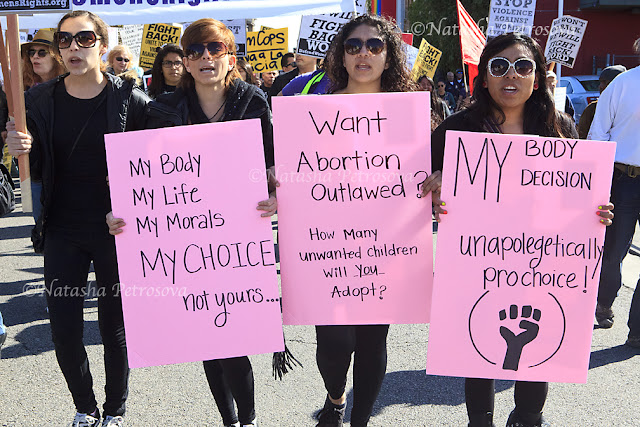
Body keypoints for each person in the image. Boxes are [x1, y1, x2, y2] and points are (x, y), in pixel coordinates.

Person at [427, 32, 613, 427]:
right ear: (485, 77)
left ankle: (528, 416)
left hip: (542, 259)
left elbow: (574, 196)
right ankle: (480, 419)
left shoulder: (559, 128)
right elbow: (417, 187)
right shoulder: (457, 129)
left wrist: (595, 213)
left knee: (538, 338)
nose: (511, 75)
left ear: (538, 75)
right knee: (476, 341)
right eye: (499, 66)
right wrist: (433, 189)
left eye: (523, 66)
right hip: (477, 258)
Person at [107, 18, 276, 427]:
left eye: (214, 49)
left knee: (234, 341)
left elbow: (271, 162)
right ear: (185, 59)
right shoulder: (163, 108)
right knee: (206, 339)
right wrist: (121, 211)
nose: (205, 57)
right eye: (195, 51)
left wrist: (275, 193)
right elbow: (144, 173)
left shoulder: (253, 101)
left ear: (229, 55)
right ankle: (228, 420)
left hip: (237, 241)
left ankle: (248, 419)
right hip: (185, 244)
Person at [5, 10, 150, 427]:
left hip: (116, 231)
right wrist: (21, 144)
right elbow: (32, 155)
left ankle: (116, 410)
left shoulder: (131, 99)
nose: (72, 48)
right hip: (62, 229)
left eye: (84, 39)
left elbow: (163, 156)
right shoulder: (38, 99)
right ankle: (85, 407)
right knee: (64, 330)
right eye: (65, 41)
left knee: (114, 329)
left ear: (102, 46)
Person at [313, 14, 416, 427]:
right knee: (334, 345)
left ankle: (359, 420)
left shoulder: (409, 116)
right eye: (353, 45)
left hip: (385, 247)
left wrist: (434, 184)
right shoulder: (315, 112)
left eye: (375, 45)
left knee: (373, 341)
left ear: (389, 56)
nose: (363, 53)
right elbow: (294, 172)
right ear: (341, 54)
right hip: (326, 246)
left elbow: (421, 177)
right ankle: (336, 396)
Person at [588, 38, 640, 348]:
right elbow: (598, 135)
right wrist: (599, 182)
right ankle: (604, 301)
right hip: (623, 179)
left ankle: (638, 329)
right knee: (614, 249)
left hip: (623, 179)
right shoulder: (622, 83)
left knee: (616, 249)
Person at [577, 65, 626, 139]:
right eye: (600, 82)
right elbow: (582, 136)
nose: (601, 86)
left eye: (606, 82)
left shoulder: (632, 108)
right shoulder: (592, 109)